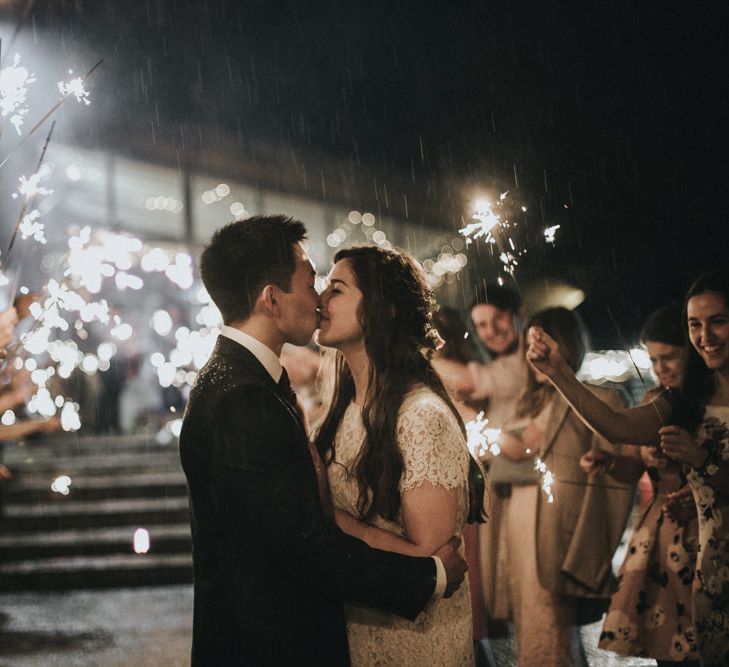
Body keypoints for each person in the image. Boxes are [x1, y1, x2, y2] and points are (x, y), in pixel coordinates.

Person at [179, 216, 467, 666]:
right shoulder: (242, 397)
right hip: (270, 644)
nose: (318, 299)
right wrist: (425, 576)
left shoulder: (247, 382)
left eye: (334, 288)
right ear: (271, 299)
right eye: (312, 281)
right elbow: (304, 545)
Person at [527, 270, 729, 666]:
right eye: (695, 324)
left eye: (718, 321)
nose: (705, 336)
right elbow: (615, 425)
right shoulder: (683, 402)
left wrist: (700, 462)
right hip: (708, 573)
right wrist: (558, 373)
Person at [314, 245, 474, 666]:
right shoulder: (343, 411)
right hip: (356, 630)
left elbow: (435, 564)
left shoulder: (421, 418)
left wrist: (327, 516)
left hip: (413, 639)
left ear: (384, 310)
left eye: (337, 289)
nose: (320, 299)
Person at [496, 307, 633, 665]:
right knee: (532, 632)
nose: (534, 354)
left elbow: (615, 487)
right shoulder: (523, 404)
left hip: (560, 533)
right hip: (521, 528)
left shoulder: (598, 400)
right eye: (529, 346)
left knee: (554, 635)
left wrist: (589, 554)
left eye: (542, 344)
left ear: (566, 345)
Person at [582, 304, 700, 664]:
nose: (660, 369)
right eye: (653, 359)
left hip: (702, 533)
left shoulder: (706, 403)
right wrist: (610, 462)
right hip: (661, 536)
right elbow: (631, 469)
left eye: (669, 358)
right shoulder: (654, 401)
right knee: (666, 644)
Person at [468, 284, 529, 632]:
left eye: (497, 319)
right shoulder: (503, 363)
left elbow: (470, 381)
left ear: (519, 315)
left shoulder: (525, 364)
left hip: (525, 487)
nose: (490, 332)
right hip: (505, 485)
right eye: (480, 325)